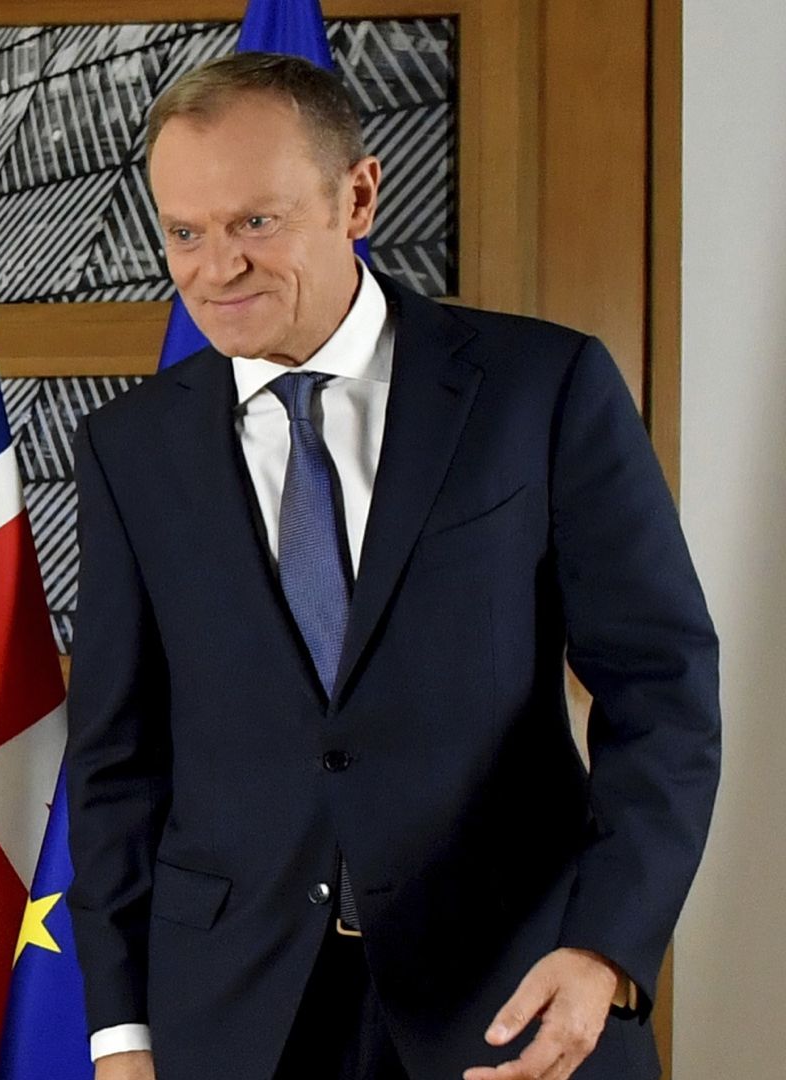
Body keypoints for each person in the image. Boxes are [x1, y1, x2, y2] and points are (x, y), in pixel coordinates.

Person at [64, 53, 718, 1080]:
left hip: (518, 995)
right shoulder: (128, 450)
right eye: (184, 232)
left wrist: (606, 948)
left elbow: (664, 692)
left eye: (255, 224)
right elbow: (117, 764)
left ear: (358, 195)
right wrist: (121, 1034)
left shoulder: (539, 388)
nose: (213, 268)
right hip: (232, 1021)